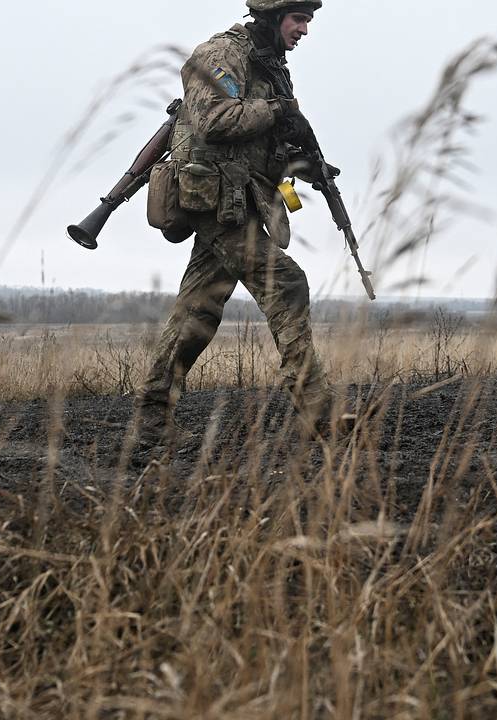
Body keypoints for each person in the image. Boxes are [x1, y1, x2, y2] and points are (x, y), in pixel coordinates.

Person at [133, 0, 348, 450]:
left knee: (198, 311)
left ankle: (152, 420)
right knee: (286, 282)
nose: (305, 29)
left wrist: (307, 167)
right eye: (299, 19)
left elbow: (261, 141)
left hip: (239, 201)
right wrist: (276, 109)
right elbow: (214, 120)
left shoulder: (269, 64)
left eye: (309, 20)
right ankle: (316, 409)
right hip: (210, 201)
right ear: (273, 17)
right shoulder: (221, 54)